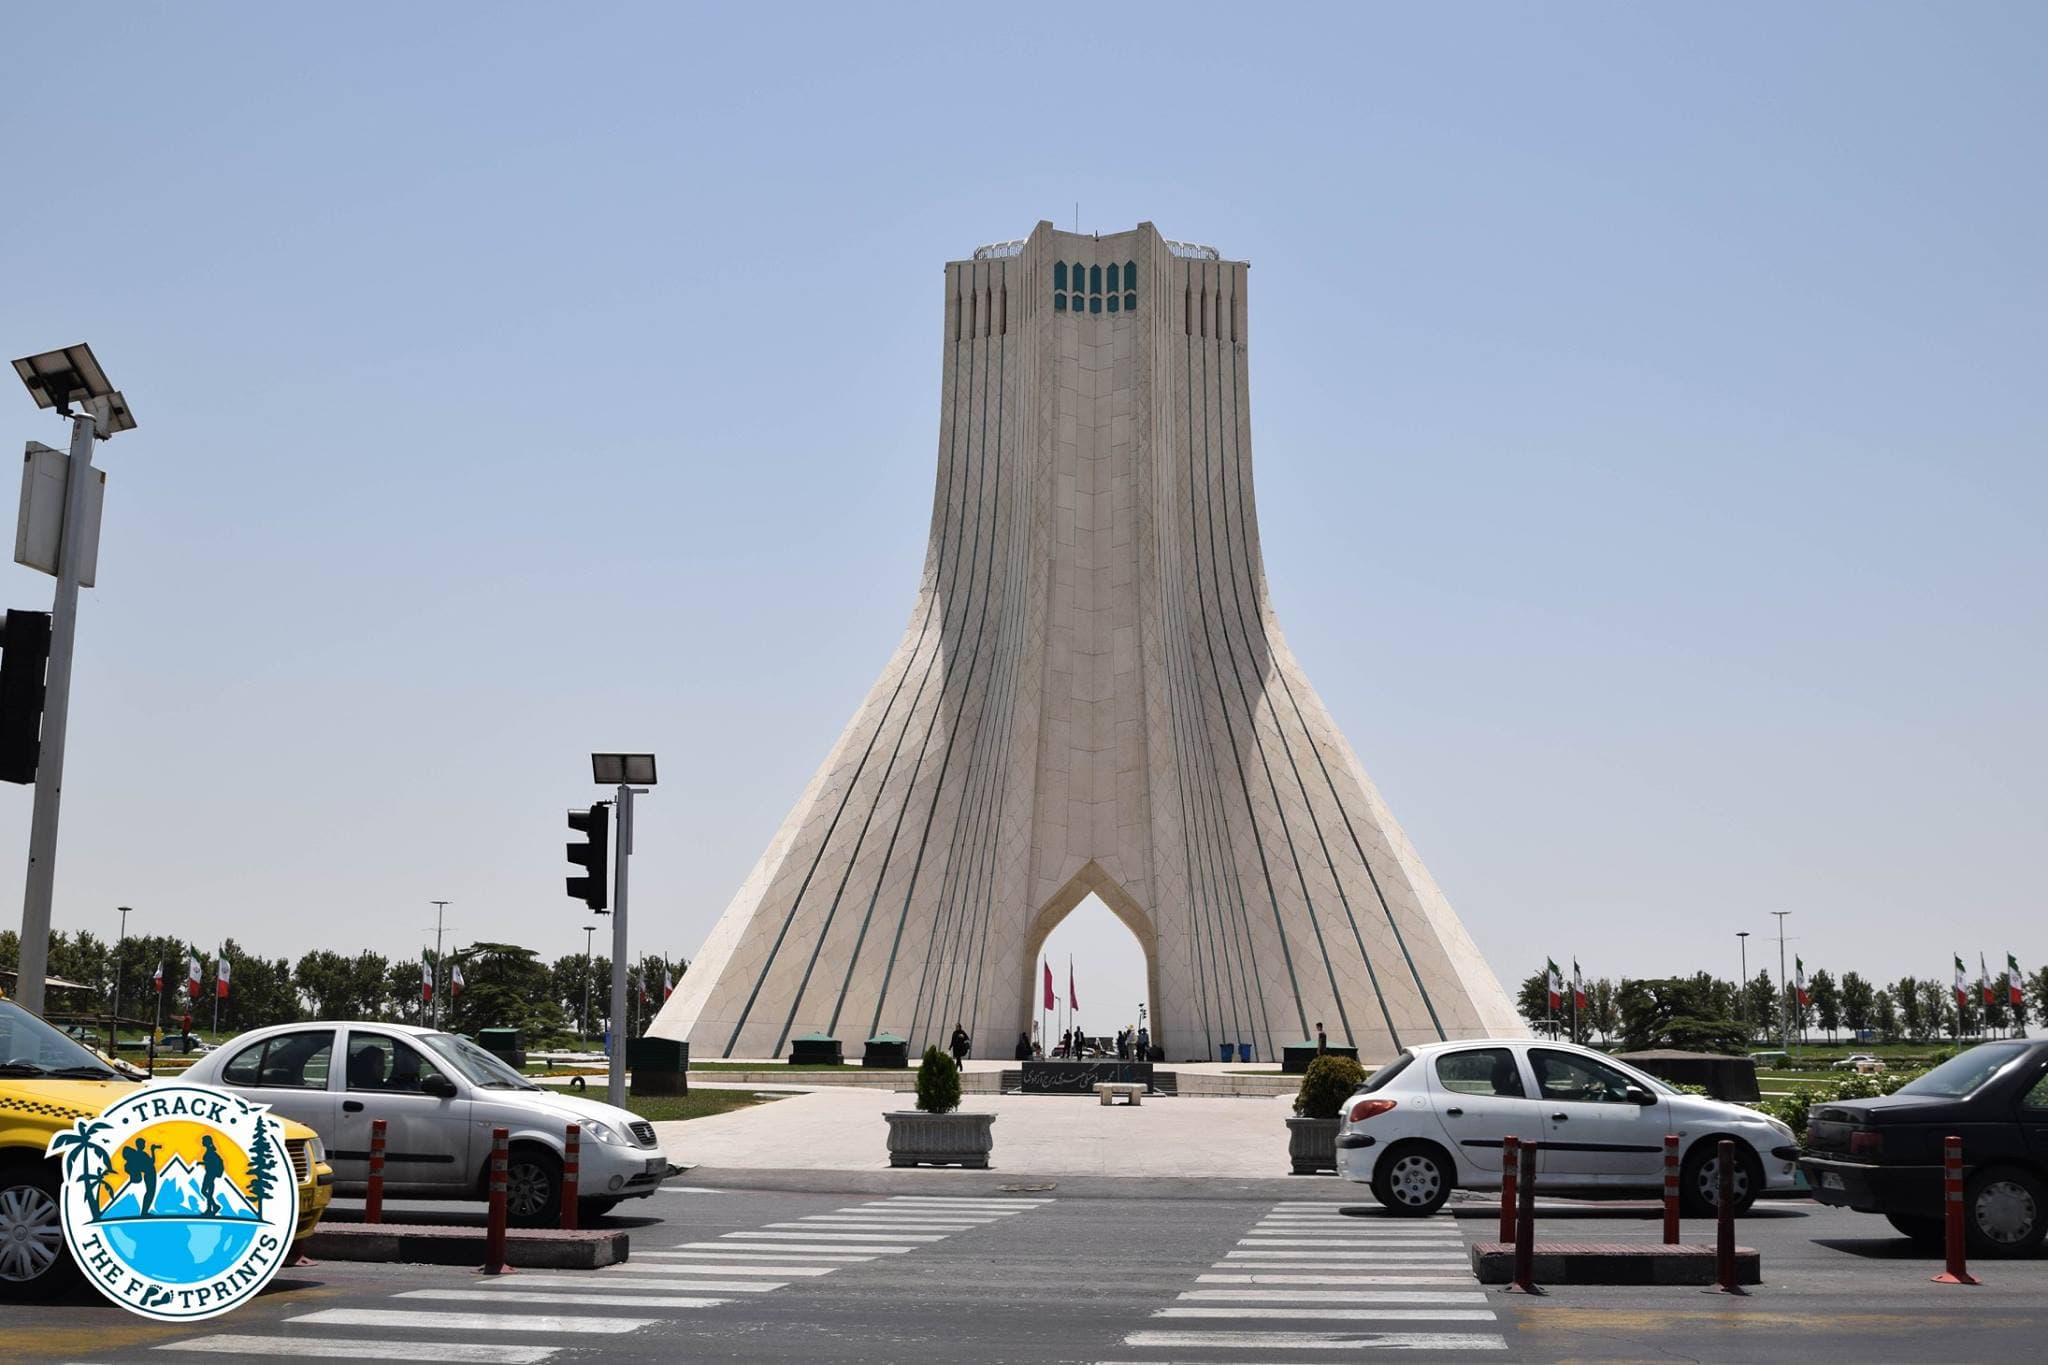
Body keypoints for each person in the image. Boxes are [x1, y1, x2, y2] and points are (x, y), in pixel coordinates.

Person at [120, 1136, 160, 1217]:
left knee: (149, 1193)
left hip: (149, 1174)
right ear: (140, 1145)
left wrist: (152, 1150)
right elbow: (151, 1162)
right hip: (150, 1174)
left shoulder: (139, 1154)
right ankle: (144, 1212)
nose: (144, 1145)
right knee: (150, 1193)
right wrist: (152, 1150)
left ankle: (144, 1212)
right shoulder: (141, 1154)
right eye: (143, 1144)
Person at [198, 1134, 226, 1217]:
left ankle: (210, 1209)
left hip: (210, 1174)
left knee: (205, 1191)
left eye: (203, 1141)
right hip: (210, 1173)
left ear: (207, 1142)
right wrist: (202, 1163)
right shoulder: (210, 1150)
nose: (202, 1142)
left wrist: (202, 1163)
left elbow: (211, 1162)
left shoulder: (210, 1151)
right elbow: (210, 1162)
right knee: (207, 1192)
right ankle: (214, 1207)